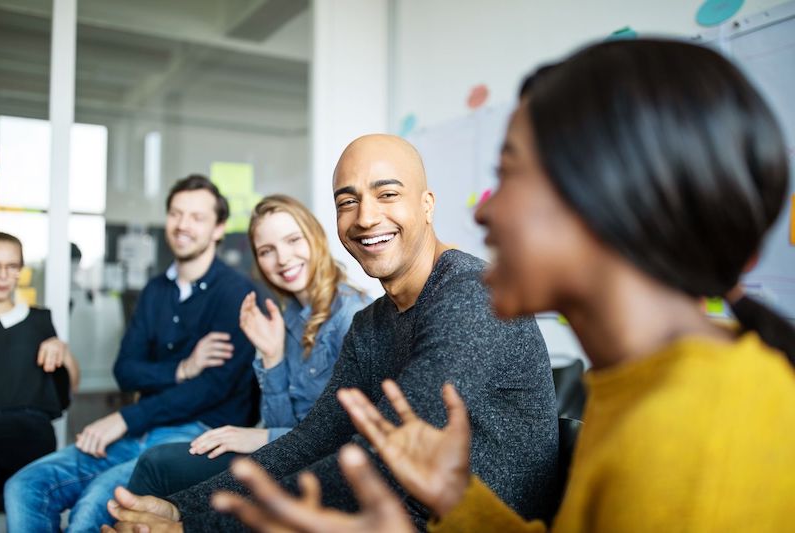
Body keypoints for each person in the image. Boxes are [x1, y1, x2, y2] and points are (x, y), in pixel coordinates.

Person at [187, 39, 795, 532]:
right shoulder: (636, 387)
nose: (482, 213)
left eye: (509, 175)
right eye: (349, 201)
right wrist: (462, 504)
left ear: (606, 201)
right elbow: (322, 433)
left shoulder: (697, 437)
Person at [103, 134, 559, 532]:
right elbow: (313, 438)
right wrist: (183, 511)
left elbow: (382, 460)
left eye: (387, 194)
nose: (364, 217)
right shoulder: (372, 323)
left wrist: (198, 524)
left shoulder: (469, 295)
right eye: (347, 201)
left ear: (426, 205)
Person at [6, 175, 260, 532]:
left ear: (218, 229)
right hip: (142, 428)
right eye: (176, 214)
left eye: (197, 217)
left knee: (96, 503)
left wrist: (126, 418)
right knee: (25, 486)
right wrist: (182, 369)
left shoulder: (236, 294)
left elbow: (211, 389)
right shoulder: (155, 290)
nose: (183, 225)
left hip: (195, 435)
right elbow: (126, 370)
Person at [127, 195, 371, 497]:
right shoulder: (290, 316)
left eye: (293, 240)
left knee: (156, 465)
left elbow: (348, 434)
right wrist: (272, 356)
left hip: (328, 470)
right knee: (160, 465)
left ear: (316, 238)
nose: (282, 259)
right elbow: (285, 424)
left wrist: (260, 436)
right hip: (292, 457)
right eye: (267, 251)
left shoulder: (352, 316)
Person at [0, 231, 80, 510]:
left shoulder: (39, 320)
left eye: (11, 266)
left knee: (31, 508)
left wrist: (63, 351)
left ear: (20, 270)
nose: (3, 275)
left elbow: (70, 389)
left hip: (29, 437)